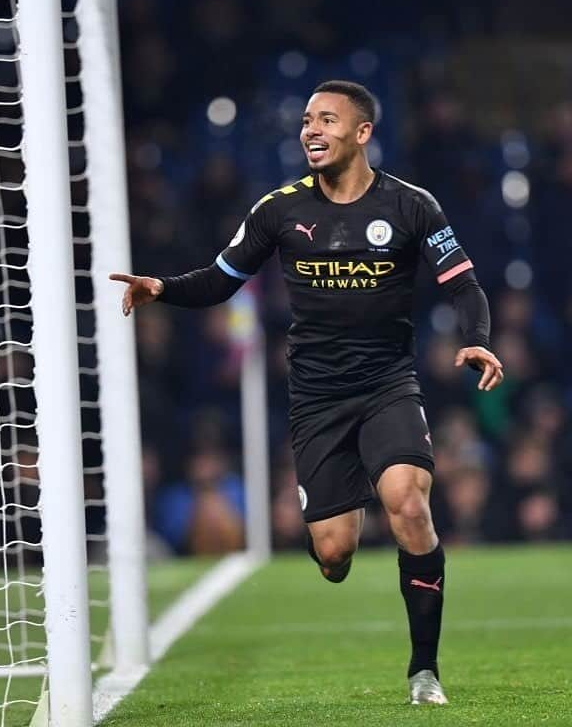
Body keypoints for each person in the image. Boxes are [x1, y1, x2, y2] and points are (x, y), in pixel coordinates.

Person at [112, 80, 504, 705]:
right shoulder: (278, 210)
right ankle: (335, 535)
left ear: (362, 132)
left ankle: (424, 670)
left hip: (387, 386)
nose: (311, 131)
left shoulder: (412, 206)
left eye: (326, 120)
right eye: (306, 121)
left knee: (408, 503)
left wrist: (477, 337)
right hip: (317, 399)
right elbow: (221, 279)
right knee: (334, 554)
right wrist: (163, 286)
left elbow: (464, 285)